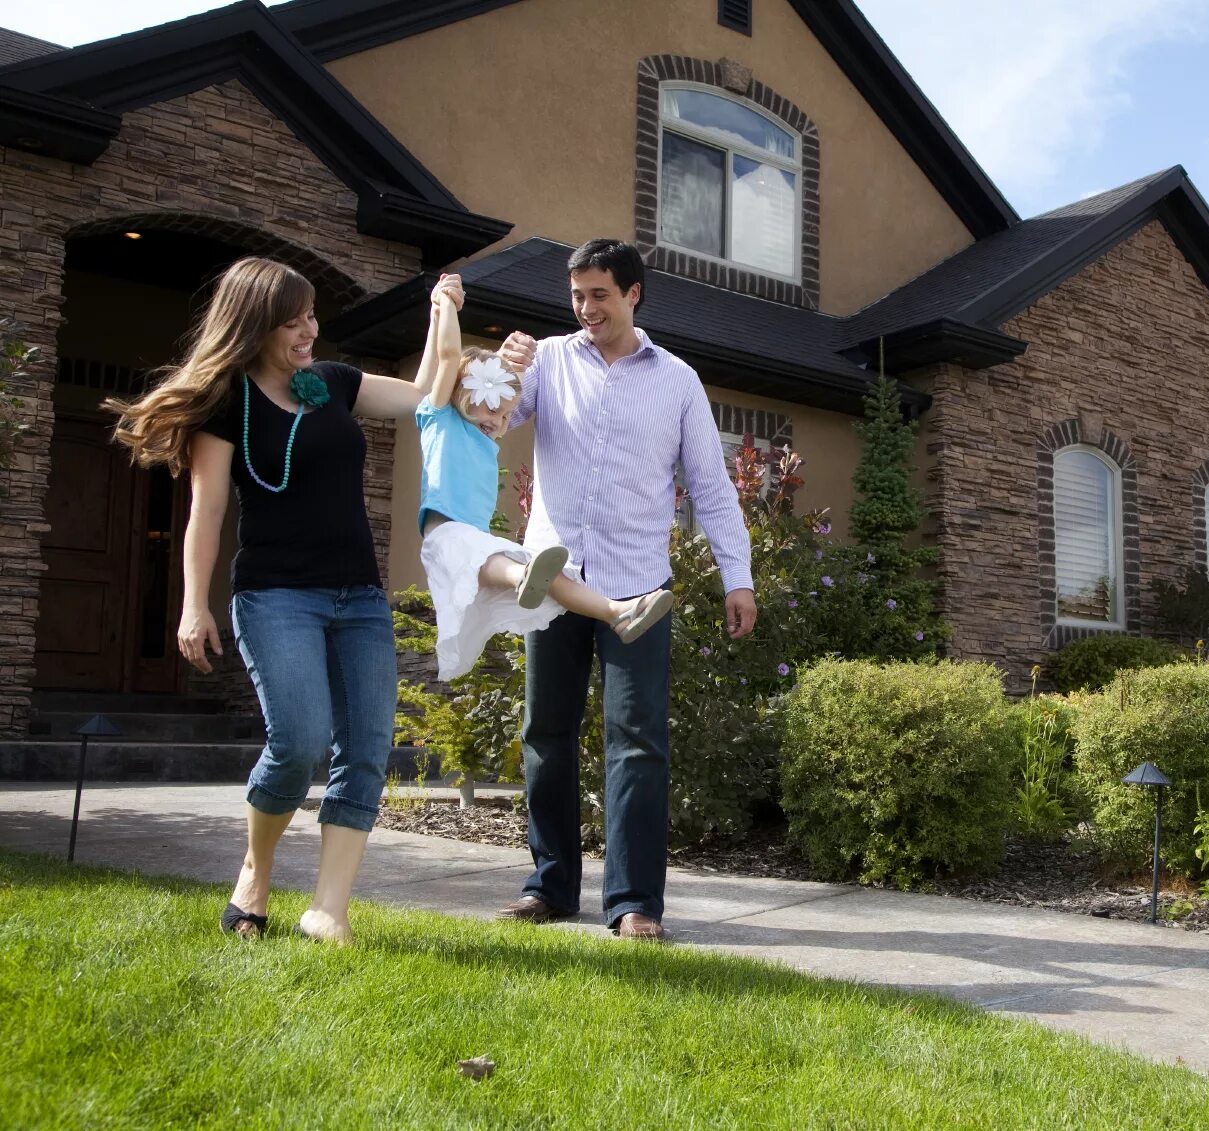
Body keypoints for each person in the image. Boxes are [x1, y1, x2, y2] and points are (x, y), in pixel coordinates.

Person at [107, 257, 532, 945]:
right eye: (292, 320)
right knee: (298, 740)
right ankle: (256, 869)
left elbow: (427, 389)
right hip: (277, 595)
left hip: (358, 595)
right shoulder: (228, 407)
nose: (310, 328)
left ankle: (328, 909)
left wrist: (441, 307)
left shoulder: (333, 384)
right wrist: (193, 603)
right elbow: (207, 512)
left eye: (310, 315)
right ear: (255, 326)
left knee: (365, 746)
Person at [497, 239, 754, 939]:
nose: (586, 309)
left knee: (637, 739)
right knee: (545, 733)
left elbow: (710, 486)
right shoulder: (548, 360)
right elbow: (491, 414)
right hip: (553, 583)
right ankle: (549, 885)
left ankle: (634, 900)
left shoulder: (677, 381)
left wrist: (739, 576)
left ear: (633, 294)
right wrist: (499, 369)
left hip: (638, 588)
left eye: (599, 295)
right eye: (576, 295)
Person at [413, 282, 673, 681]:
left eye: (504, 416)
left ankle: (617, 611)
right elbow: (448, 356)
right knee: (518, 566)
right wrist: (444, 305)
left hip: (478, 544)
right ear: (460, 396)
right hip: (445, 538)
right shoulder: (438, 417)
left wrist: (511, 374)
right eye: (490, 409)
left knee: (555, 576)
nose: (497, 422)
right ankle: (523, 579)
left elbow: (501, 393)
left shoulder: (486, 442)